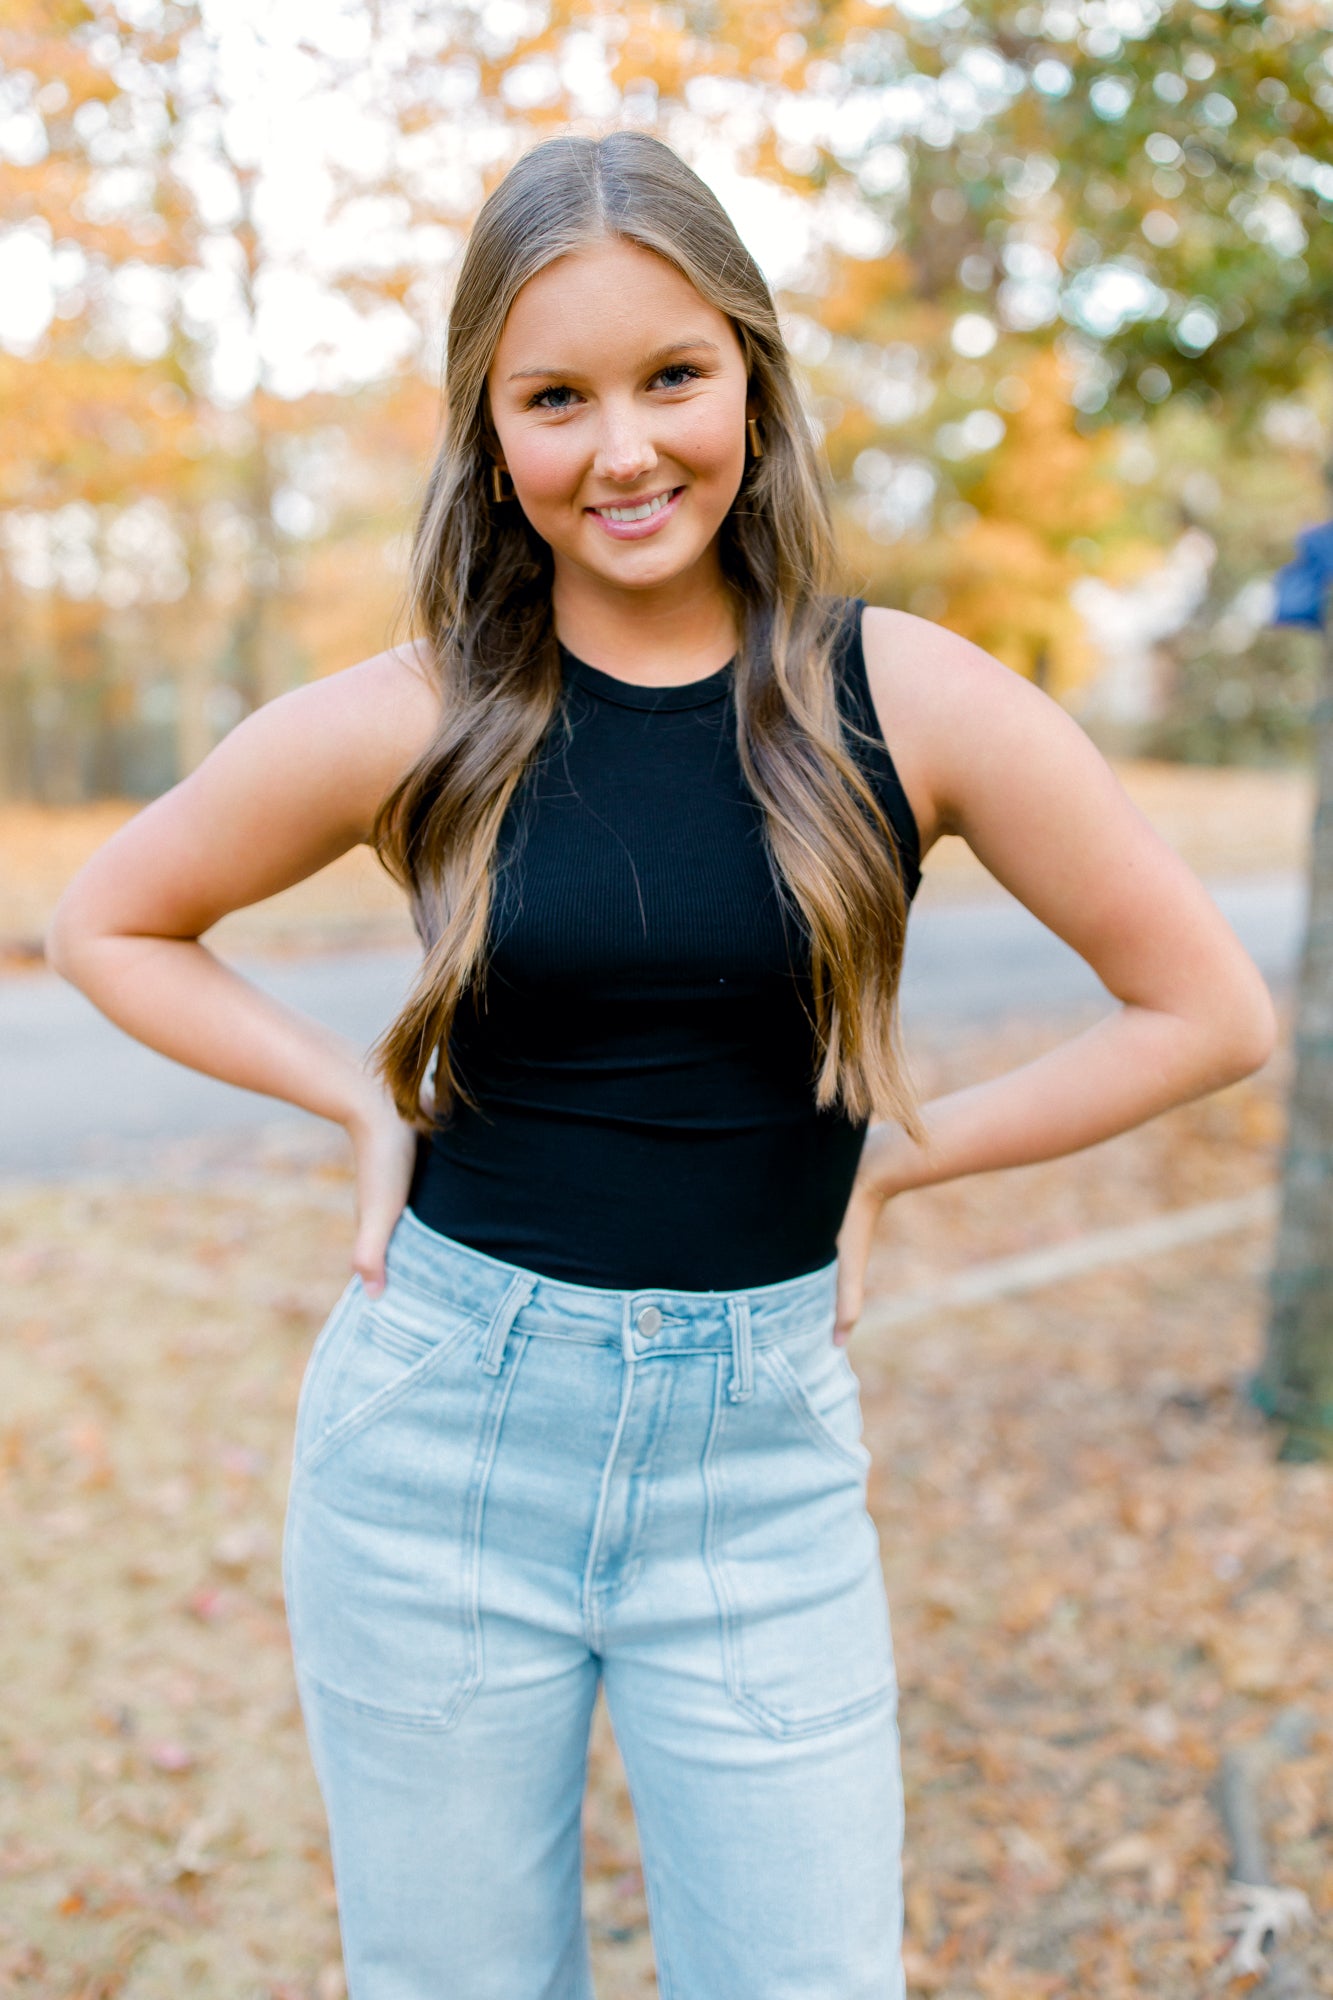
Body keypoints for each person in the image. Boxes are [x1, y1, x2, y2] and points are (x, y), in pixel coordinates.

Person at [47, 129, 1276, 2000]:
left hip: (758, 1470)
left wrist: (904, 1159)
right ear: (491, 434)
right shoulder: (422, 712)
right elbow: (110, 920)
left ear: (752, 384)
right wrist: (350, 1097)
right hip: (439, 1442)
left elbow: (1208, 1009)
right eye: (556, 398)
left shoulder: (907, 697)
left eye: (670, 377)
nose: (622, 449)